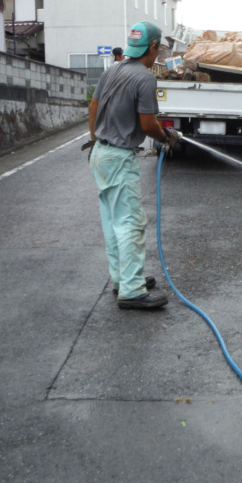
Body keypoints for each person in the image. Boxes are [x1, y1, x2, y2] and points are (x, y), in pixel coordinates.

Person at [88, 21, 179, 309]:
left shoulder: (112, 70)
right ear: (151, 47)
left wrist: (95, 139)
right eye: (158, 48)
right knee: (130, 222)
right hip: (119, 157)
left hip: (100, 153)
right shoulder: (144, 78)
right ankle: (131, 290)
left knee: (112, 221)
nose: (158, 53)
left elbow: (93, 106)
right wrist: (166, 138)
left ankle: (122, 278)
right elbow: (148, 124)